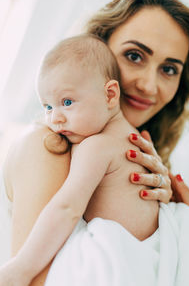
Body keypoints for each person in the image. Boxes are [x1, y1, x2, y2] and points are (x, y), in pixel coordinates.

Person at [1, 0, 189, 285]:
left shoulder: (142, 156)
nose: (148, 84)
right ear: (97, 47)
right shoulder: (49, 147)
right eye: (134, 55)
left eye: (169, 69)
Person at [0, 33, 159, 285]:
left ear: (109, 95)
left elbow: (66, 208)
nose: (55, 119)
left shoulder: (96, 146)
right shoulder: (137, 140)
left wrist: (21, 269)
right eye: (48, 107)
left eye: (66, 102)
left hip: (117, 264)